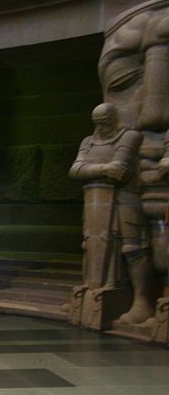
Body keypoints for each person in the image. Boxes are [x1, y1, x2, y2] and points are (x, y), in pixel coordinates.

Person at [69, 103, 156, 324]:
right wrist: (104, 169)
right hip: (95, 200)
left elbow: (120, 170)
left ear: (115, 119)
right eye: (97, 123)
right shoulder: (88, 141)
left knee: (133, 249)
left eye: (105, 122)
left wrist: (92, 170)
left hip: (126, 199)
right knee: (90, 244)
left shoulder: (129, 136)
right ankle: (90, 291)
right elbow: (75, 170)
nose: (101, 127)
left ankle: (142, 301)